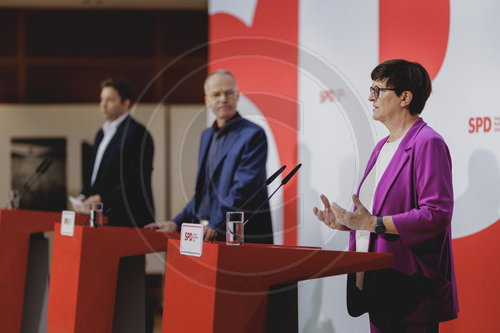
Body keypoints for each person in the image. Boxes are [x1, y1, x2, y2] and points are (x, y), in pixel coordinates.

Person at [313, 59, 458, 332]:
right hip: (377, 284)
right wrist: (347, 223)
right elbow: (377, 213)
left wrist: (372, 224)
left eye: (378, 90)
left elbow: (436, 215)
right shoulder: (381, 146)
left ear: (405, 97)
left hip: (410, 287)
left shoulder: (428, 143)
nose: (370, 97)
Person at [145, 70, 273, 244]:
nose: (223, 98)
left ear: (237, 96)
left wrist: (215, 223)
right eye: (216, 94)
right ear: (207, 100)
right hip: (209, 234)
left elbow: (243, 190)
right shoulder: (207, 136)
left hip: (242, 236)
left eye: (228, 93)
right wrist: (176, 223)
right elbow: (204, 194)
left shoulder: (253, 134)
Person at [72, 78, 155, 228]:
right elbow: (94, 174)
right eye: (101, 99)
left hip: (128, 218)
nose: (102, 104)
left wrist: (102, 198)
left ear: (126, 103)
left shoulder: (138, 133)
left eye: (110, 100)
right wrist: (84, 196)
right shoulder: (101, 134)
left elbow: (137, 180)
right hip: (100, 217)